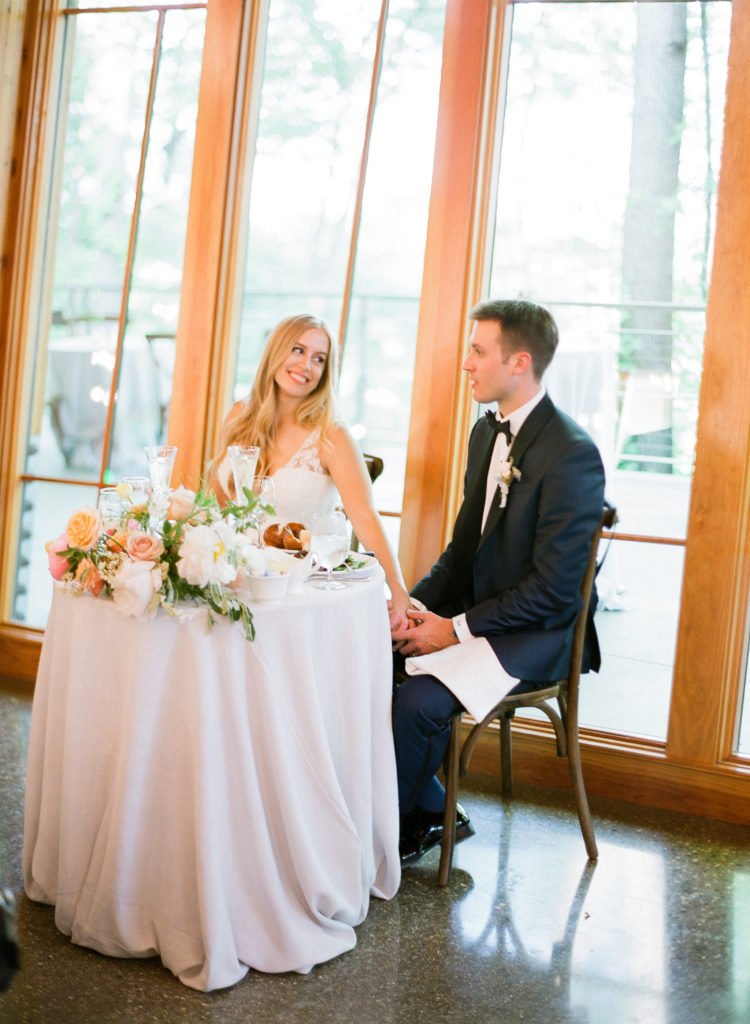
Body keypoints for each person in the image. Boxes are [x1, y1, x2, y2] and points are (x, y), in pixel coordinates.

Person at [391, 298, 606, 864]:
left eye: (478, 351)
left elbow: (556, 591)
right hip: (486, 613)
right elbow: (463, 550)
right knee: (371, 659)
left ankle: (376, 843)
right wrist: (412, 604)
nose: (466, 363)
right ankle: (433, 810)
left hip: (542, 632)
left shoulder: (573, 455)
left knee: (416, 704)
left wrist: (453, 630)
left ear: (520, 363)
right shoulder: (486, 435)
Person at [208, 312, 410, 629]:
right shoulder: (240, 415)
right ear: (276, 351)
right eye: (298, 350)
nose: (306, 366)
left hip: (294, 592)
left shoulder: (333, 435)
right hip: (231, 581)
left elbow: (365, 516)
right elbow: (214, 501)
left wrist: (397, 590)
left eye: (319, 359)